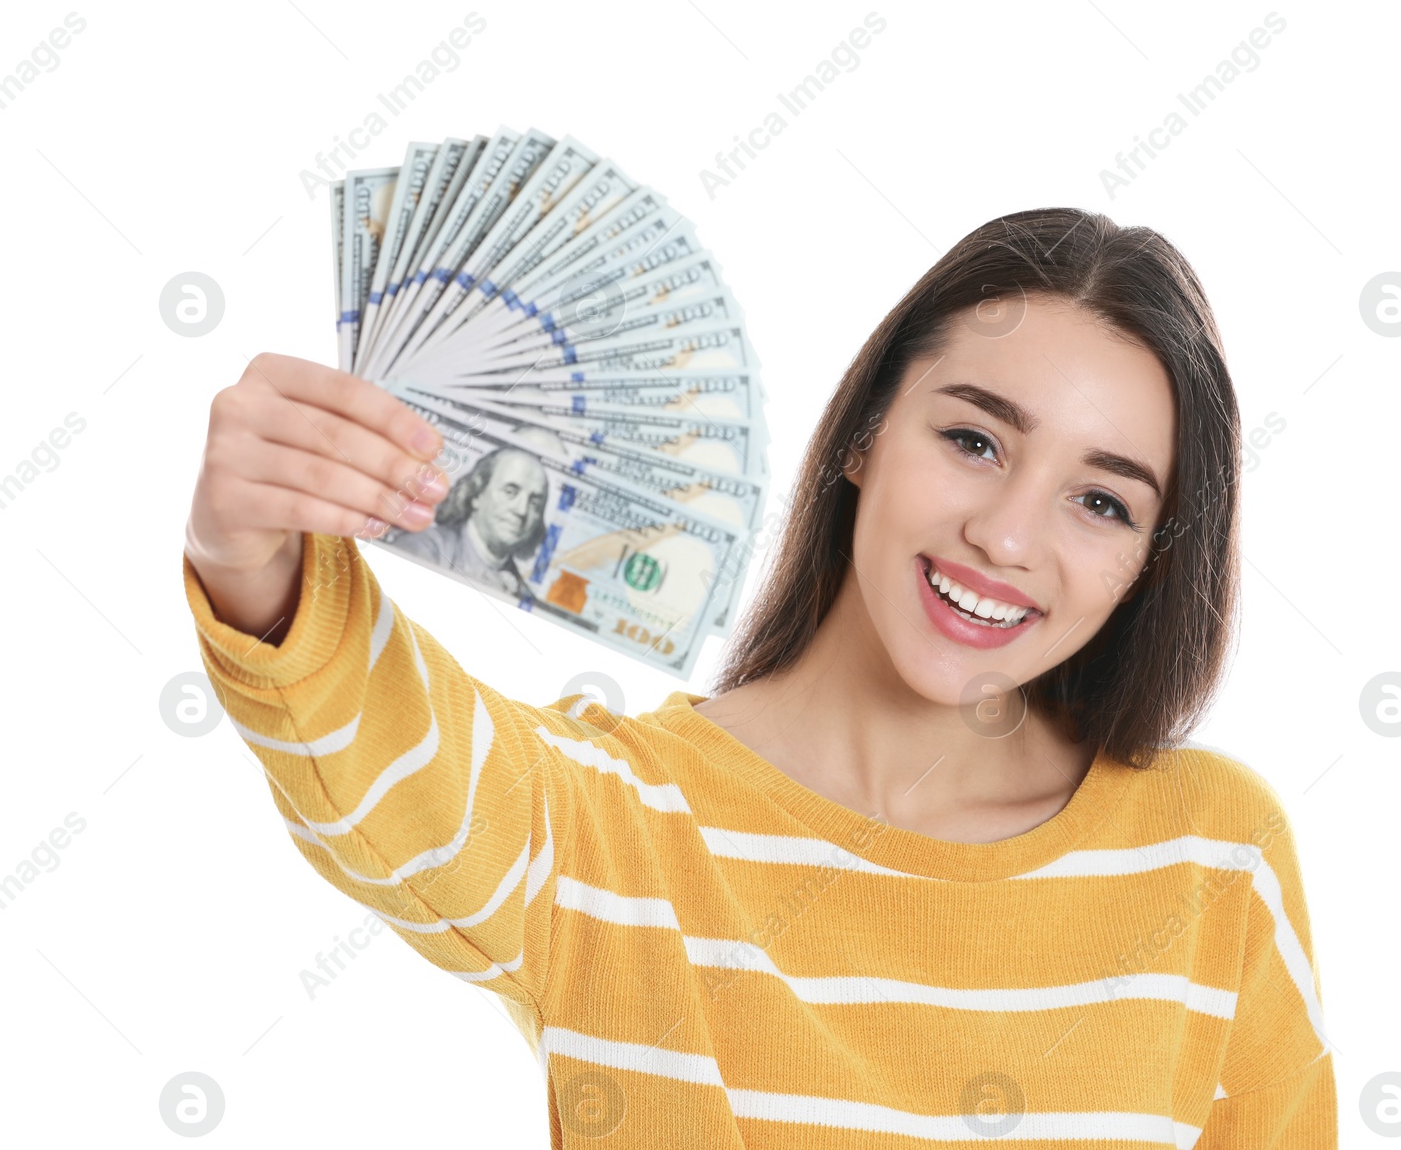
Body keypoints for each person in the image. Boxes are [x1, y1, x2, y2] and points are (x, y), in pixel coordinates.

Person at [181, 208, 1336, 1147]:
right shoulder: (615, 829)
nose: (1007, 535)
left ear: (1145, 564)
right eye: (974, 439)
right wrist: (254, 562)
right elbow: (396, 770)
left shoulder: (1212, 857)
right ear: (864, 434)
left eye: (1102, 500)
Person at [386, 444, 549, 599]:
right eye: (510, 492)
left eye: (535, 503)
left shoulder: (523, 596)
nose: (521, 510)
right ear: (477, 494)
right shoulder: (424, 547)